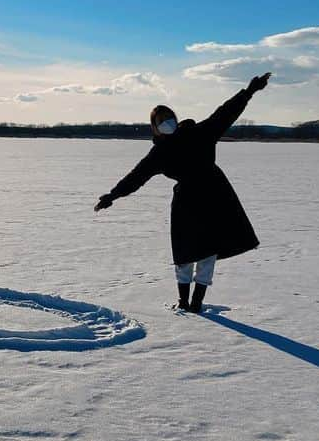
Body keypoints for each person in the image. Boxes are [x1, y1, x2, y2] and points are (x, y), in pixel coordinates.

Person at [94, 73, 272, 313]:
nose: (167, 122)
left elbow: (226, 112)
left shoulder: (200, 133)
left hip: (214, 198)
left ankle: (197, 302)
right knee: (185, 254)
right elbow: (136, 177)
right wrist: (112, 196)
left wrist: (249, 91)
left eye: (169, 117)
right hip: (186, 204)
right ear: (155, 127)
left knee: (208, 253)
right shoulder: (159, 153)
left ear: (175, 119)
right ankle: (183, 301)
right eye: (161, 120)